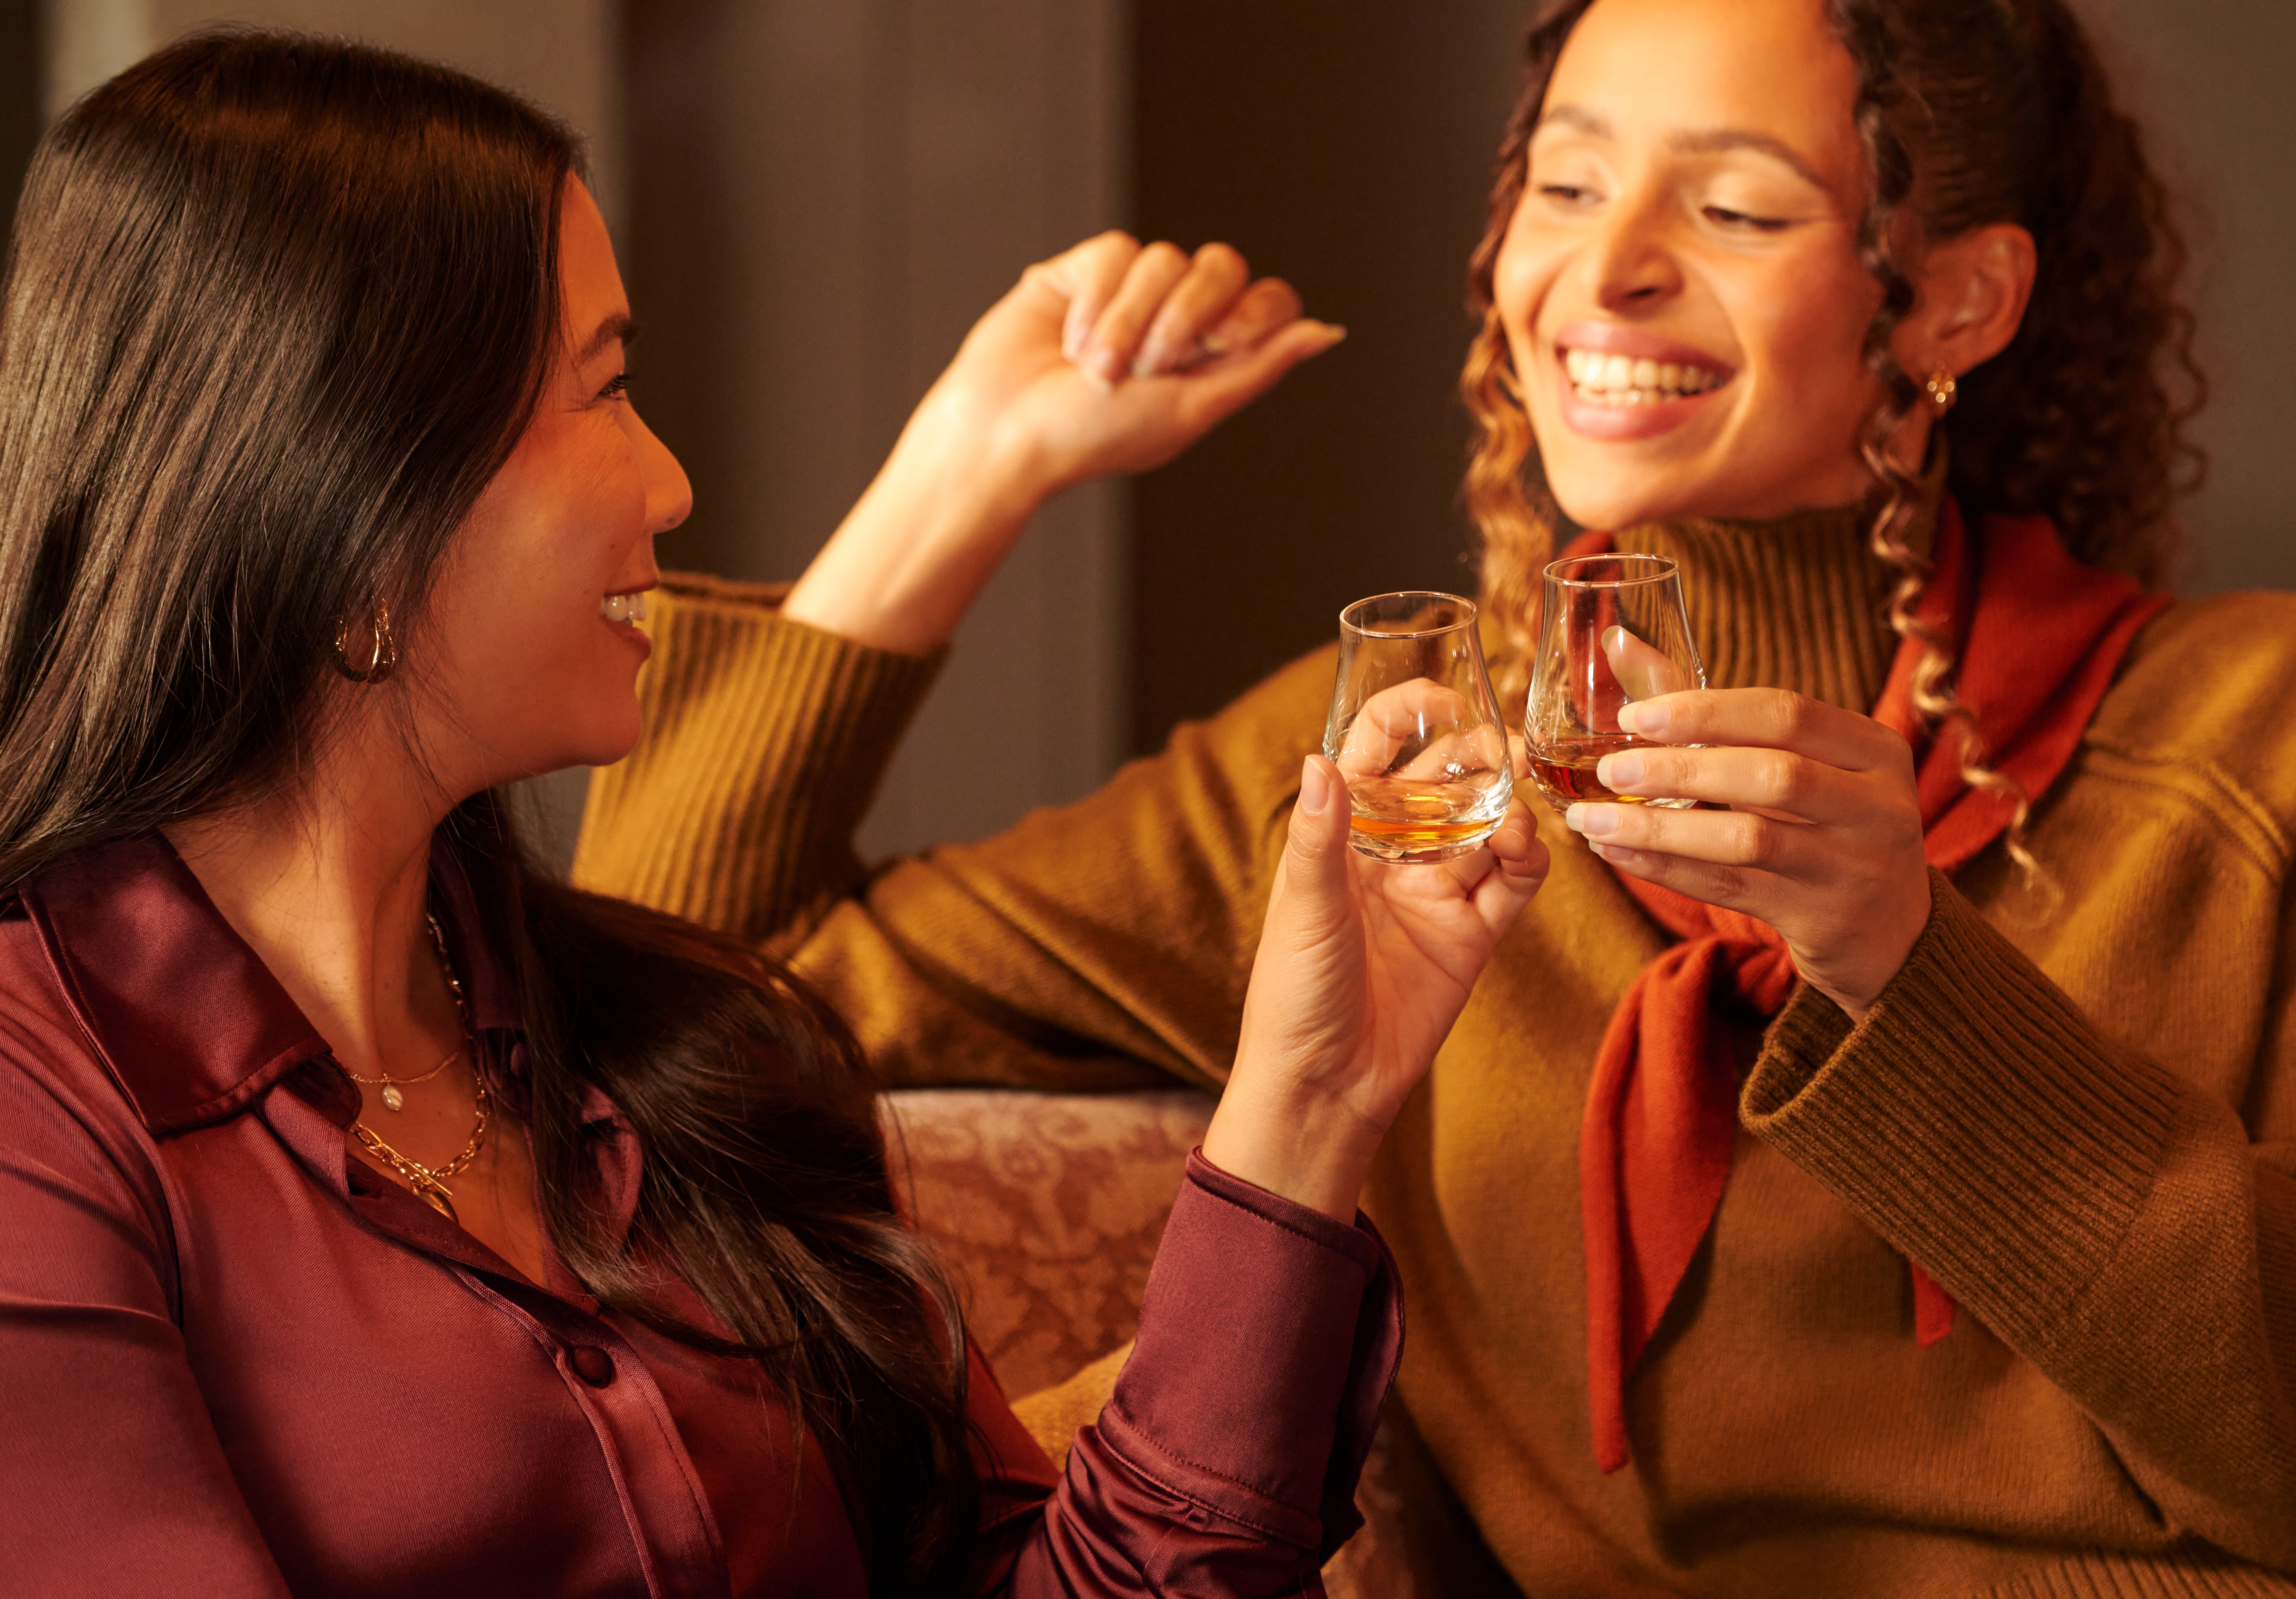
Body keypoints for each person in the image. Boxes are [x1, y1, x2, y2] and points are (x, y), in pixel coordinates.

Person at [574, 0, 2296, 1592]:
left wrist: (1910, 977)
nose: (1601, 273)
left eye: (1738, 212)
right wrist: (967, 463)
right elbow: (669, 998)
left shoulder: (2250, 737)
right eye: (1562, 183)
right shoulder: (1400, 774)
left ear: (1950, 305)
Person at [0, 31, 1553, 1598]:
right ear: (347, 485)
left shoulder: (686, 1052)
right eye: (604, 390)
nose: (670, 483)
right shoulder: (40, 1104)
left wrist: (1311, 1099)